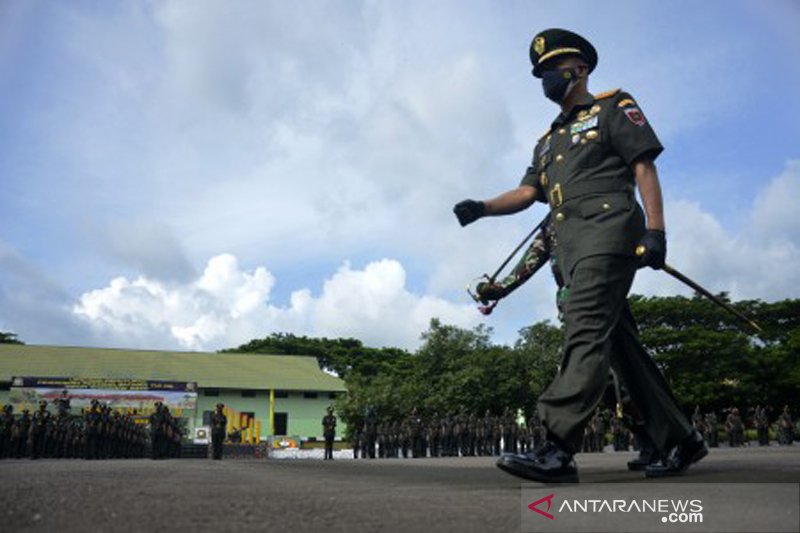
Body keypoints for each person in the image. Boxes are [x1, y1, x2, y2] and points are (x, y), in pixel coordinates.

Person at [455, 28, 704, 482]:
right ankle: (681, 439)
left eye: (552, 68)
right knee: (621, 348)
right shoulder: (547, 141)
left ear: (580, 68)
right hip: (570, 251)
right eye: (541, 73)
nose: (547, 77)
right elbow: (529, 192)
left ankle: (557, 446)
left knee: (584, 331)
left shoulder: (613, 107)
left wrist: (656, 231)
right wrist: (484, 207)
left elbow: (643, 165)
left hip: (609, 236)